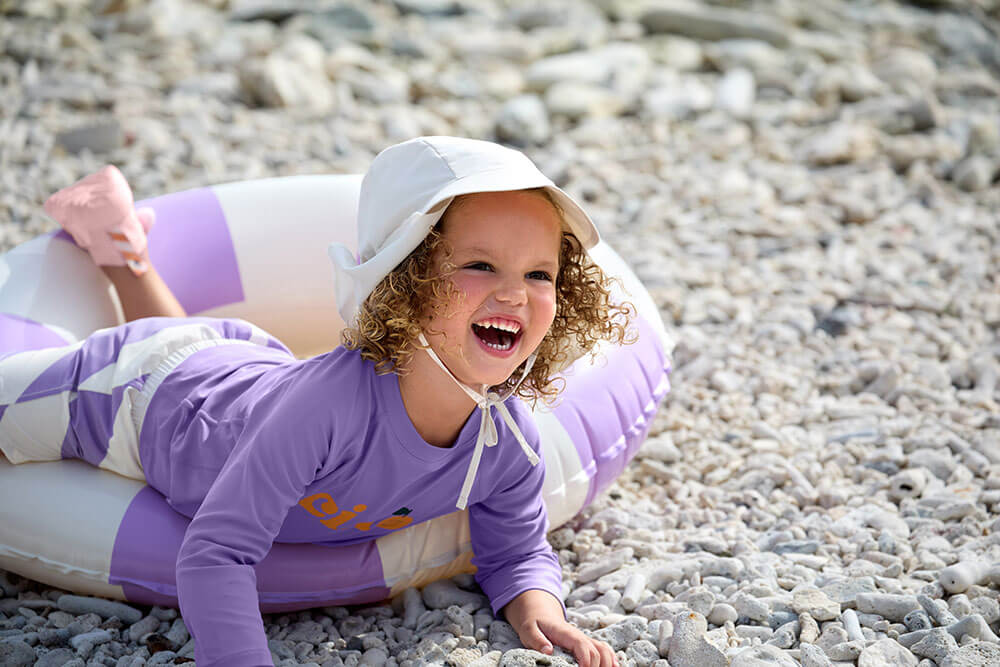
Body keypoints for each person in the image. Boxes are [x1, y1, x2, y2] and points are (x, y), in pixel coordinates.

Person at [0, 137, 632, 667]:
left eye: (539, 274)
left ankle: (124, 251)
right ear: (406, 281)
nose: (515, 294)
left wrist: (541, 609)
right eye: (481, 265)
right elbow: (218, 552)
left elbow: (517, 550)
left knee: (202, 343)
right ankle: (118, 247)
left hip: (253, 365)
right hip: (143, 395)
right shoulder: (326, 411)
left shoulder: (507, 440)